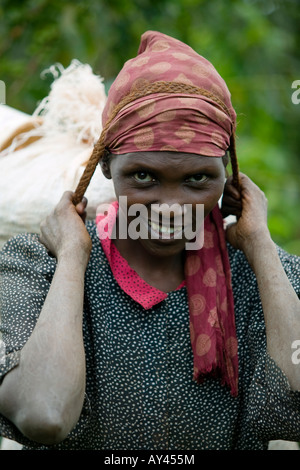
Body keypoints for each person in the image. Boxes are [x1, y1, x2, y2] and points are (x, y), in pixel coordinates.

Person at [0, 30, 300, 451]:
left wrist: (263, 248)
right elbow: (44, 414)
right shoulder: (35, 265)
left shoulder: (267, 278)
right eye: (144, 176)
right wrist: (71, 257)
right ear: (105, 165)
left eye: (198, 179)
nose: (172, 207)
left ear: (229, 176)